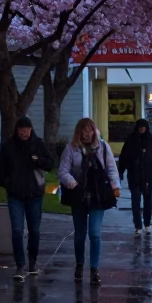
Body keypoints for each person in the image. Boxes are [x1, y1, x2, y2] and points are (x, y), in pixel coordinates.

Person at [59, 117, 120, 285]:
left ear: (94, 131)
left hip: (98, 195)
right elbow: (63, 171)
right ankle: (79, 265)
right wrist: (73, 184)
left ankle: (94, 269)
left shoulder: (103, 147)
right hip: (78, 195)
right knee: (79, 235)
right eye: (83, 131)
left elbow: (111, 169)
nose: (86, 134)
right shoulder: (71, 149)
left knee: (94, 233)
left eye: (89, 130)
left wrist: (115, 187)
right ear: (78, 132)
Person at [0, 116, 53, 280]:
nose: (24, 137)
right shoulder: (8, 147)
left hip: (34, 194)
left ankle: (32, 261)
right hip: (15, 194)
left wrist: (37, 160)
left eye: (26, 134)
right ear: (17, 132)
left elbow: (50, 163)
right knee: (17, 230)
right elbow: (0, 169)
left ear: (31, 130)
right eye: (21, 134)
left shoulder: (38, 144)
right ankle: (20, 264)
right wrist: (7, 183)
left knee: (34, 230)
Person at [118, 119, 152, 235]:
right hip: (134, 174)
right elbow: (124, 157)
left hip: (147, 175)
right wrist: (120, 171)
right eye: (140, 126)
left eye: (143, 127)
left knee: (148, 200)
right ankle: (138, 225)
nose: (142, 129)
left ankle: (147, 222)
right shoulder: (131, 140)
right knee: (135, 200)